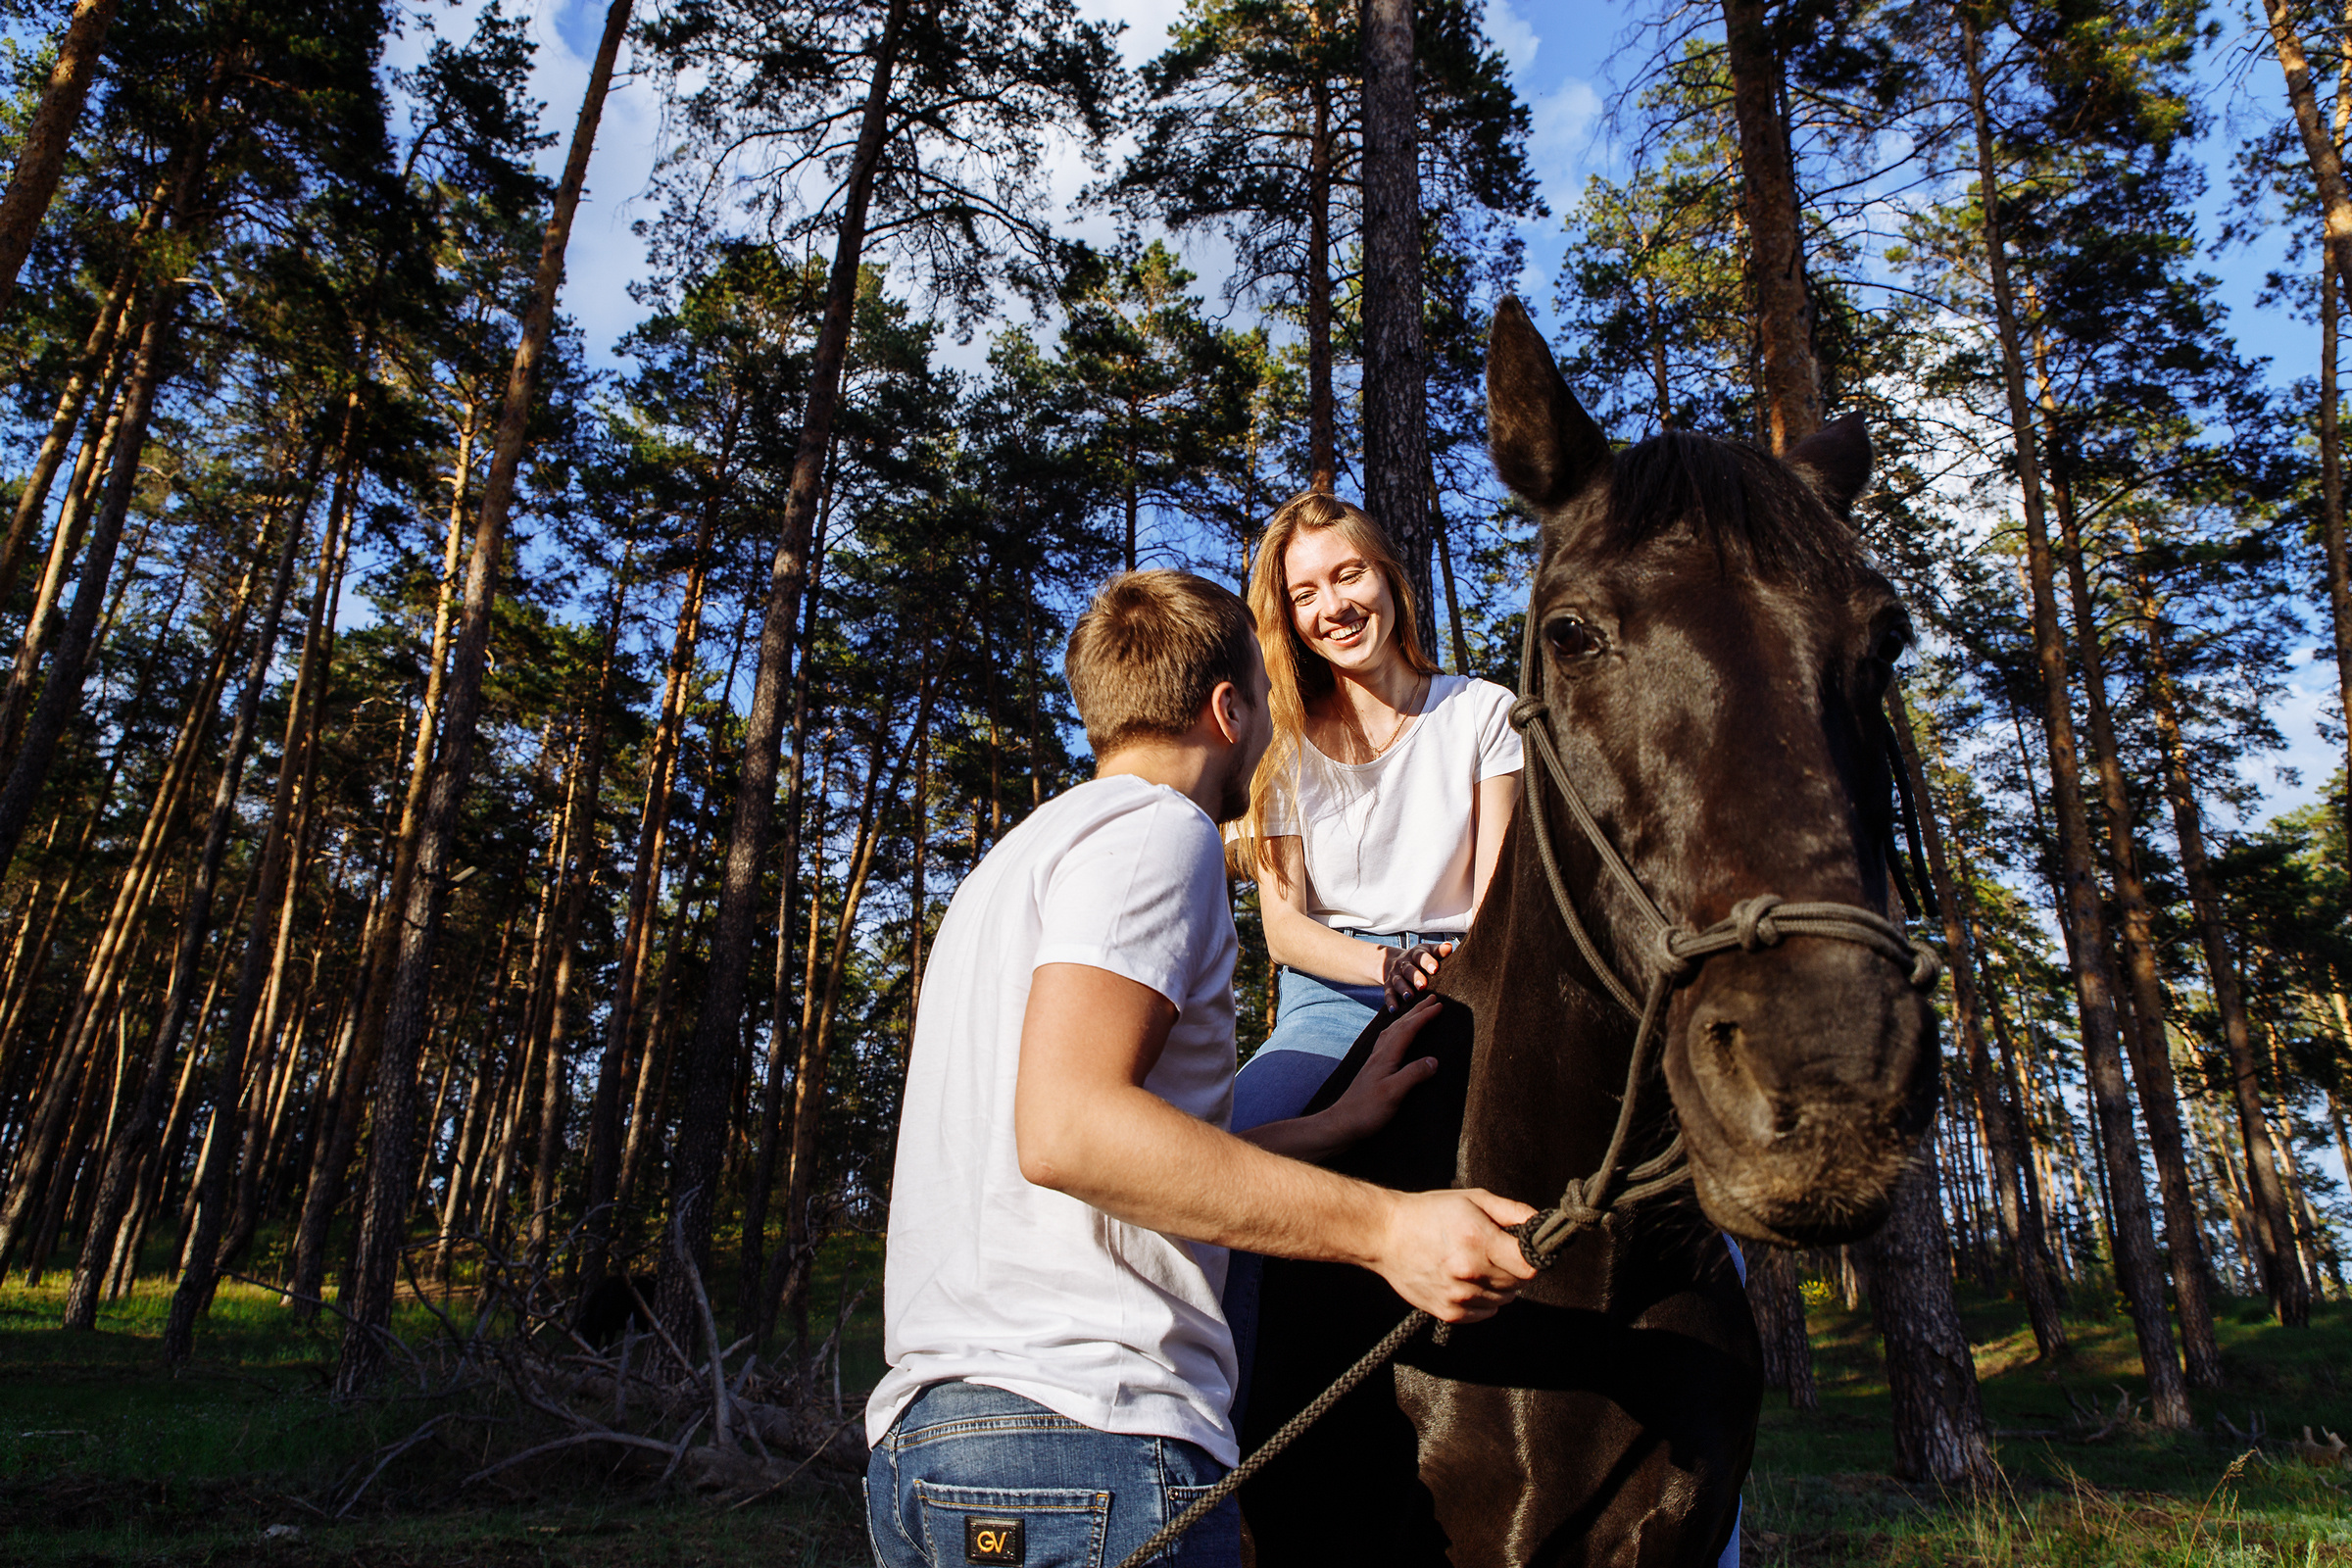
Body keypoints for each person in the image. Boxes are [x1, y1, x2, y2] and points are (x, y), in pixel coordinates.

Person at [864, 569, 1537, 1568]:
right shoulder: (1158, 834)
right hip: (1089, 1442)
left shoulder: (1017, 860)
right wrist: (1387, 1225)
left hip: (931, 1446)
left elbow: (1099, 1147)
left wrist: (1331, 1129)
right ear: (1230, 709)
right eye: (1265, 701)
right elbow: (1070, 1131)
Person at [1230, 491, 1524, 1134]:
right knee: (1237, 1149)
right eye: (1304, 594)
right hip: (1330, 999)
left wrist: (1449, 974)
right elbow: (1284, 931)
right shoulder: (1279, 749)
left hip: (1468, 982)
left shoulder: (1484, 713)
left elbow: (1498, 901)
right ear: (1289, 617)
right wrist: (1385, 966)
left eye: (1347, 574)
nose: (1332, 607)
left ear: (1389, 577)